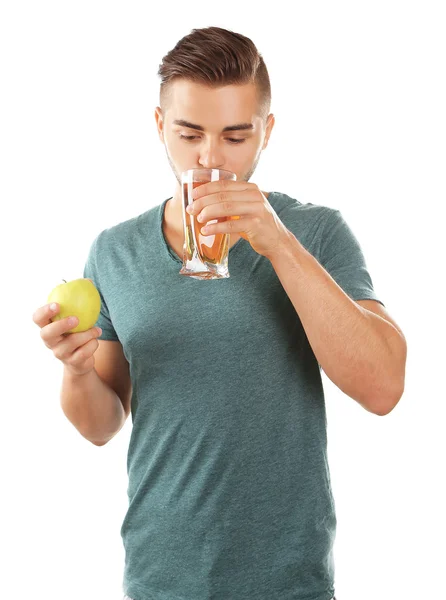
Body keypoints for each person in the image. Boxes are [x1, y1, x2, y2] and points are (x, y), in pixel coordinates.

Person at [33, 26, 407, 600]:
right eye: (189, 134)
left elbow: (383, 388)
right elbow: (102, 426)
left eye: (235, 136)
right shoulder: (114, 251)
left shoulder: (317, 231)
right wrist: (76, 369)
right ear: (160, 127)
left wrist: (277, 242)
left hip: (289, 584)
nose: (210, 159)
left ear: (267, 132)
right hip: (159, 580)